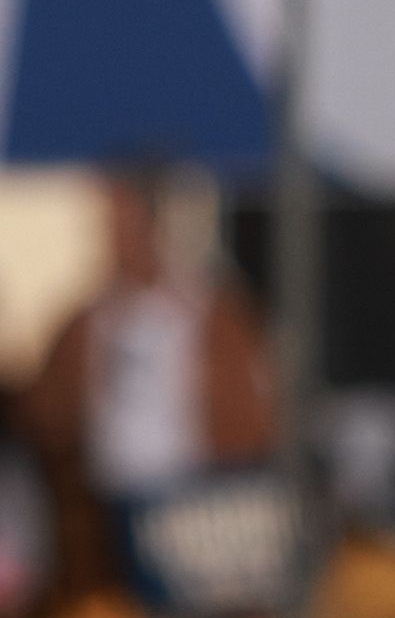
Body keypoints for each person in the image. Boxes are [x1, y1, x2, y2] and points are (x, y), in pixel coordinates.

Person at [23, 163, 273, 525]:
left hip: (196, 502)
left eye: (119, 220)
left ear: (151, 222)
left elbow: (253, 416)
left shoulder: (210, 312)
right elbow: (49, 416)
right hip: (109, 502)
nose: (110, 234)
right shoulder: (88, 319)